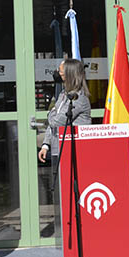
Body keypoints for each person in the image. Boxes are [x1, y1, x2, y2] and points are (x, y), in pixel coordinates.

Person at [37, 58, 92, 238]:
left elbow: (55, 120)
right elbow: (53, 124)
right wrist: (45, 143)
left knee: (71, 192)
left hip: (73, 152)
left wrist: (51, 113)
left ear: (69, 73)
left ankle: (77, 230)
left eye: (61, 71)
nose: (58, 73)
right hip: (57, 149)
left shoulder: (78, 98)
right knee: (61, 193)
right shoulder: (62, 95)